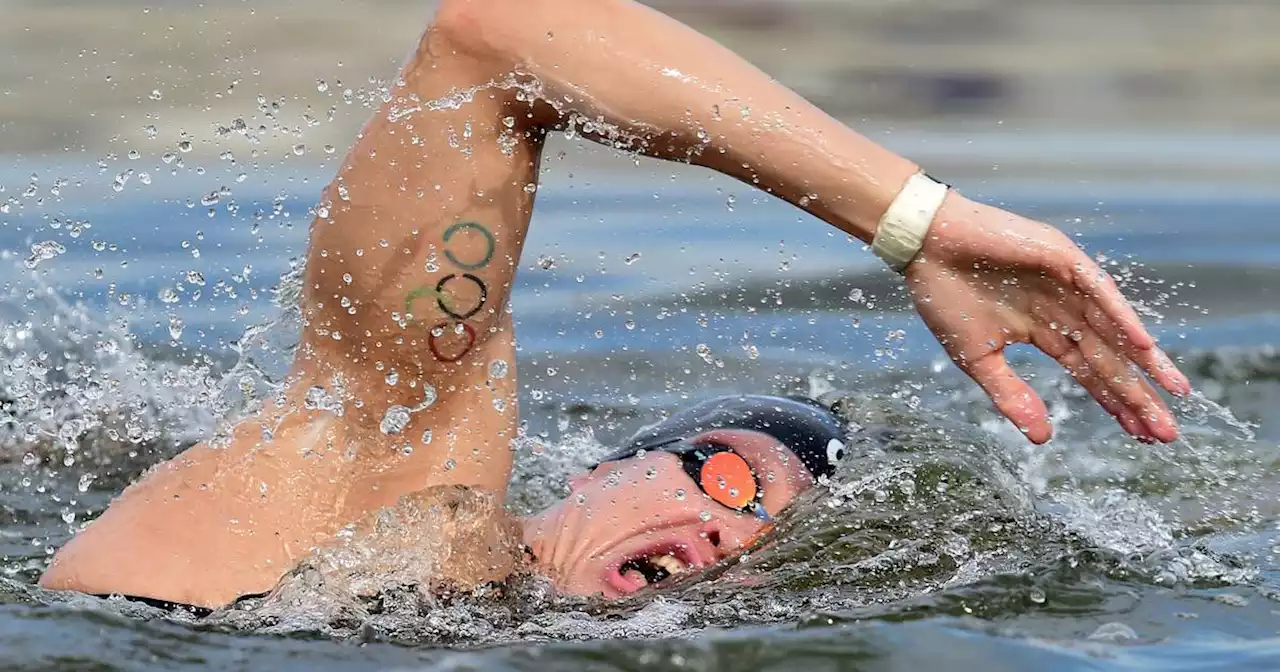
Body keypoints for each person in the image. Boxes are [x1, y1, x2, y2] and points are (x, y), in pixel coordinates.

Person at [37, 0, 1191, 610]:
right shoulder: (386, 475)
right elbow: (494, 37)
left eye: (764, 542)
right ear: (597, 470)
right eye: (733, 479)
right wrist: (916, 223)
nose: (726, 537)